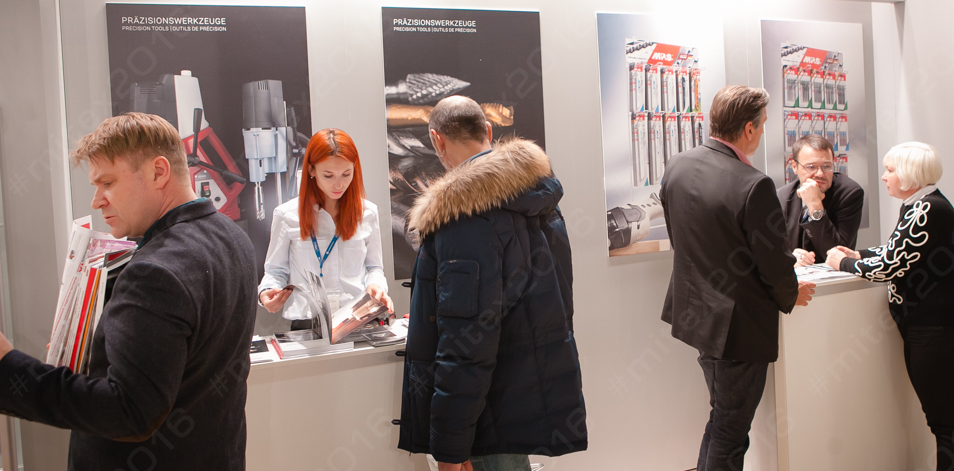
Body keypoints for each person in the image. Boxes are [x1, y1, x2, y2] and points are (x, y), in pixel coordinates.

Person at [0, 113, 257, 469]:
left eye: (107, 183)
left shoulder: (154, 271)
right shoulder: (233, 238)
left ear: (158, 171)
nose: (97, 201)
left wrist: (8, 367)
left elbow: (129, 411)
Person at [397, 97, 586, 471]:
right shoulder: (534, 195)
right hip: (522, 391)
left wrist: (450, 449)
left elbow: (465, 343)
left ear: (437, 140)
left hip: (486, 409)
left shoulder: (464, 218)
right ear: (487, 130)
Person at [659, 86, 814, 471]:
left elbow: (683, 240)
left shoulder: (678, 165)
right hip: (737, 328)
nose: (761, 132)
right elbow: (773, 263)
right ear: (748, 129)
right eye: (762, 125)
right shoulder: (753, 183)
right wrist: (791, 293)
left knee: (722, 420)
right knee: (730, 432)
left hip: (697, 316)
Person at [826, 142, 954, 471]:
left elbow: (890, 267)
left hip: (939, 331)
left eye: (890, 170)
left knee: (946, 424)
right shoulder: (920, 205)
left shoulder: (926, 210)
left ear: (910, 175)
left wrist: (844, 263)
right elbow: (902, 251)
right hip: (937, 329)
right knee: (945, 421)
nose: (884, 177)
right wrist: (861, 255)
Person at [258, 129, 392, 326]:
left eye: (346, 174)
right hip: (308, 324)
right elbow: (275, 271)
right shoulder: (287, 215)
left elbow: (374, 267)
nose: (338, 184)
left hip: (358, 320)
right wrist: (266, 292)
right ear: (311, 170)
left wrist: (376, 285)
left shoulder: (367, 213)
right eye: (328, 175)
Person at [776, 135, 864, 265]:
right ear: (794, 166)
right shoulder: (782, 196)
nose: (820, 174)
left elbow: (838, 254)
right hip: (796, 275)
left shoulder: (849, 193)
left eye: (826, 166)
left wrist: (815, 206)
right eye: (811, 167)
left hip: (834, 275)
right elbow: (771, 249)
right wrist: (789, 258)